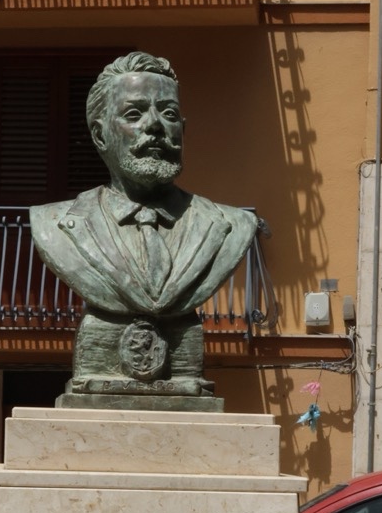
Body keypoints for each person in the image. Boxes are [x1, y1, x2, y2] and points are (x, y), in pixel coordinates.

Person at [29, 52, 259, 401]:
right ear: (100, 134)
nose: (155, 125)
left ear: (183, 130)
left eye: (168, 114)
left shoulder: (229, 224)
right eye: (134, 114)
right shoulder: (56, 224)